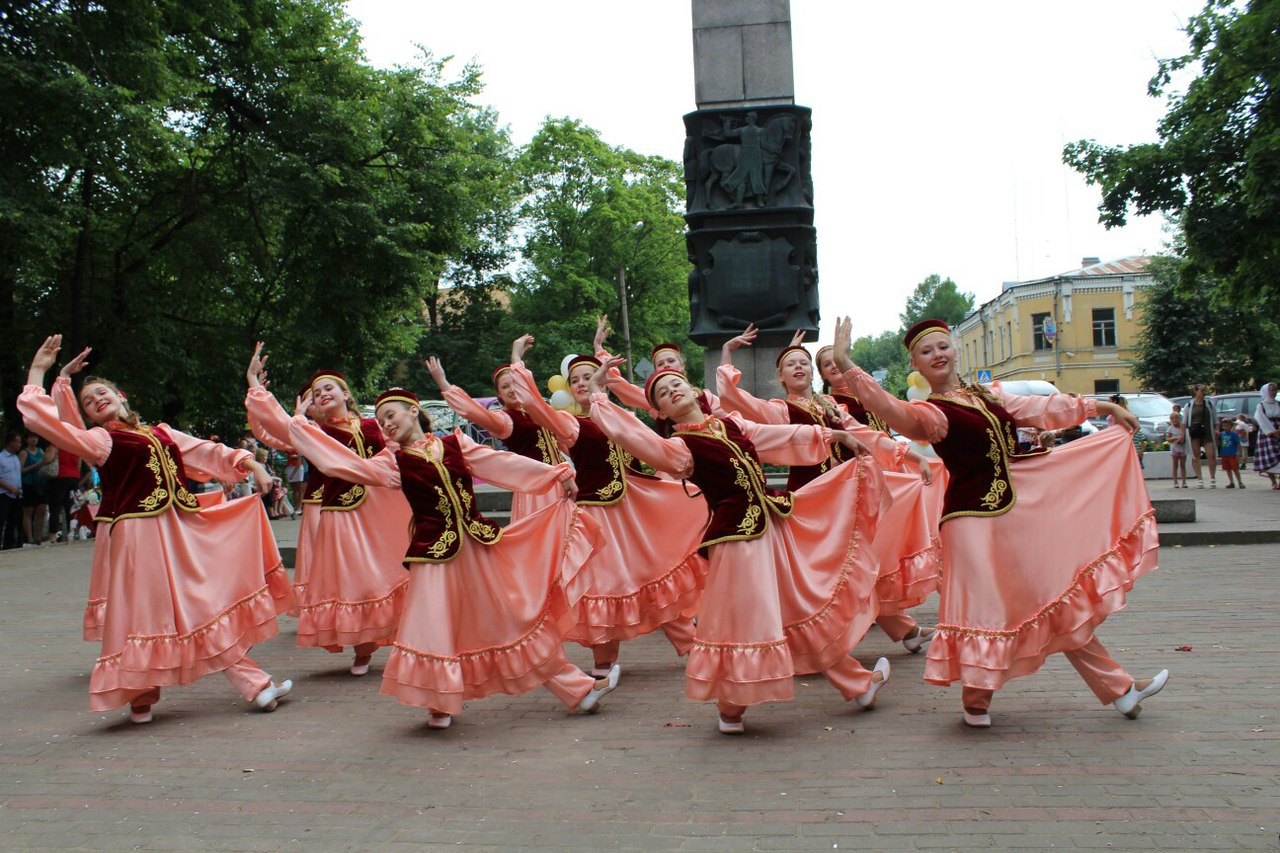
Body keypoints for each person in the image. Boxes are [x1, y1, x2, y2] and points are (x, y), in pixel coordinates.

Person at [831, 317, 1167, 728]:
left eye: (942, 346)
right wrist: (849, 364)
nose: (937, 354)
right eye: (926, 351)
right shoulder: (932, 412)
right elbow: (896, 414)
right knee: (988, 609)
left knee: (1052, 597)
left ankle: (1117, 691)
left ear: (955, 352)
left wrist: (1101, 406)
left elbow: (1041, 409)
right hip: (970, 523)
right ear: (916, 366)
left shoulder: (987, 395)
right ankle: (982, 700)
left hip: (1011, 514)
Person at [585, 358, 890, 735]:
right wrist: (599, 396)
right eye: (662, 394)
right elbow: (635, 438)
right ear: (662, 411)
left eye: (676, 383)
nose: (673, 391)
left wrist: (834, 436)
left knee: (795, 608)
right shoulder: (681, 447)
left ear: (695, 390)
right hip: (738, 542)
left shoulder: (731, 424)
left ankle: (854, 685)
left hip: (769, 528)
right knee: (753, 622)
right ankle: (731, 708)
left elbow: (777, 436)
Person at [288, 387, 620, 728]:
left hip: (477, 548)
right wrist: (299, 424)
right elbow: (342, 463)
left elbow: (499, 463)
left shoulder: (454, 445)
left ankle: (578, 690)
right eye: (382, 419)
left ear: (413, 411)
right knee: (435, 627)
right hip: (434, 558)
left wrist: (554, 474)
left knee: (509, 621)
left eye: (392, 415)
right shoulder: (392, 462)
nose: (386, 424)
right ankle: (439, 704)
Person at [18, 335, 293, 724]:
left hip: (176, 528)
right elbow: (46, 422)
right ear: (90, 417)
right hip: (137, 535)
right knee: (174, 610)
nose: (96, 399)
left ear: (121, 395)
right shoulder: (101, 440)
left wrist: (252, 464)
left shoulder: (160, 432)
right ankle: (249, 685)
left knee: (171, 611)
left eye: (101, 393)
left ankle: (143, 697)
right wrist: (40, 371)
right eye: (88, 402)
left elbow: (204, 451)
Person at [717, 324, 943, 655]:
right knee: (826, 578)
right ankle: (818, 646)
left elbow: (867, 435)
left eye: (803, 362)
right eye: (790, 364)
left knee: (860, 565)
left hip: (845, 500)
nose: (798, 367)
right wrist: (727, 352)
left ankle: (901, 630)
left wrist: (912, 456)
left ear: (812, 372)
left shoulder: (832, 407)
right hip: (810, 507)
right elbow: (732, 395)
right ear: (781, 377)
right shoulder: (780, 410)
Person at [510, 335, 709, 681]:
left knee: (655, 571)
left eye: (588, 376)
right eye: (575, 380)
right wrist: (517, 361)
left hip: (634, 507)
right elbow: (537, 407)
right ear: (569, 391)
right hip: (598, 518)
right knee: (604, 586)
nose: (582, 383)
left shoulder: (615, 414)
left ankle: (695, 648)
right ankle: (603, 666)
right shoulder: (571, 424)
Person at [277, 365, 412, 675]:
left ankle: (404, 640)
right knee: (355, 580)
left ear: (346, 393)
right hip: (341, 514)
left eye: (329, 388)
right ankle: (362, 650)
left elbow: (396, 449)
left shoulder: (371, 425)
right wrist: (296, 418)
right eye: (317, 392)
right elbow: (290, 434)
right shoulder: (318, 432)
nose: (323, 394)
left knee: (387, 571)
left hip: (377, 509)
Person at [425, 352, 567, 522]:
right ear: (499, 394)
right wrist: (443, 382)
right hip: (537, 489)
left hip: (563, 480)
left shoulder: (537, 411)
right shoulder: (505, 419)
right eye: (505, 387)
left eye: (515, 384)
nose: (512, 389)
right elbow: (473, 412)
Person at [19, 433, 51, 546]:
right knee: (28, 512)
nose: (34, 440)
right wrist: (36, 465)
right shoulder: (24, 452)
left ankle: (38, 537)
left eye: (36, 437)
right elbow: (21, 470)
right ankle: (30, 538)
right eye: (31, 437)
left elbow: (44, 465)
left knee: (41, 511)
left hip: (40, 484)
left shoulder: (41, 451)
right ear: (26, 439)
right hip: (28, 484)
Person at [1185, 385, 1218, 488]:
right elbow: (1184, 421)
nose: (1204, 393)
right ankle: (1199, 479)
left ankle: (1212, 479)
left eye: (1205, 391)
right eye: (1202, 390)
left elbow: (1215, 419)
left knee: (1211, 455)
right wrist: (1182, 434)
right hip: (1195, 432)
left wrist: (1217, 429)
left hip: (1207, 431)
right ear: (1195, 391)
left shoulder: (1209, 404)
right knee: (1196, 456)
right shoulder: (1189, 405)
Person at [1253, 383, 1280, 489]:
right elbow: (1261, 419)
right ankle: (1273, 481)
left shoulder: (1278, 404)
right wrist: (1272, 431)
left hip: (1279, 430)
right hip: (1267, 432)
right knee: (1270, 456)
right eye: (1271, 390)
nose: (1273, 392)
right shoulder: (1261, 405)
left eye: (1275, 390)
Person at [0, 433, 23, 550]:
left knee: (13, 520)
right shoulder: (1, 457)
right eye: (18, 442)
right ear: (11, 442)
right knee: (1, 519)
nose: (20, 444)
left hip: (16, 494)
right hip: (4, 493)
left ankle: (8, 545)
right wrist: (9, 487)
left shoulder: (16, 458)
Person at [1217, 417, 1245, 489]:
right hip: (1224, 455)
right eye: (1223, 426)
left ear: (1231, 426)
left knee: (1235, 469)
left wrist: (1240, 453)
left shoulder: (1234, 434)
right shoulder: (1222, 434)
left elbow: (1238, 444)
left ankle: (1240, 482)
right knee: (1227, 469)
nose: (1225, 427)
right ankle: (1231, 482)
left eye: (1227, 425)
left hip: (1232, 455)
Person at [1166, 412, 1188, 488]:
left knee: (1183, 465)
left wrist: (1182, 439)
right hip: (1174, 448)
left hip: (1182, 448)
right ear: (1171, 420)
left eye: (1176, 418)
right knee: (1175, 465)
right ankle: (1175, 482)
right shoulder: (1170, 428)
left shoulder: (1182, 427)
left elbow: (1185, 436)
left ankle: (1184, 482)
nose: (1175, 420)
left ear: (1179, 419)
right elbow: (1168, 439)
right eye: (1173, 419)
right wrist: (1175, 438)